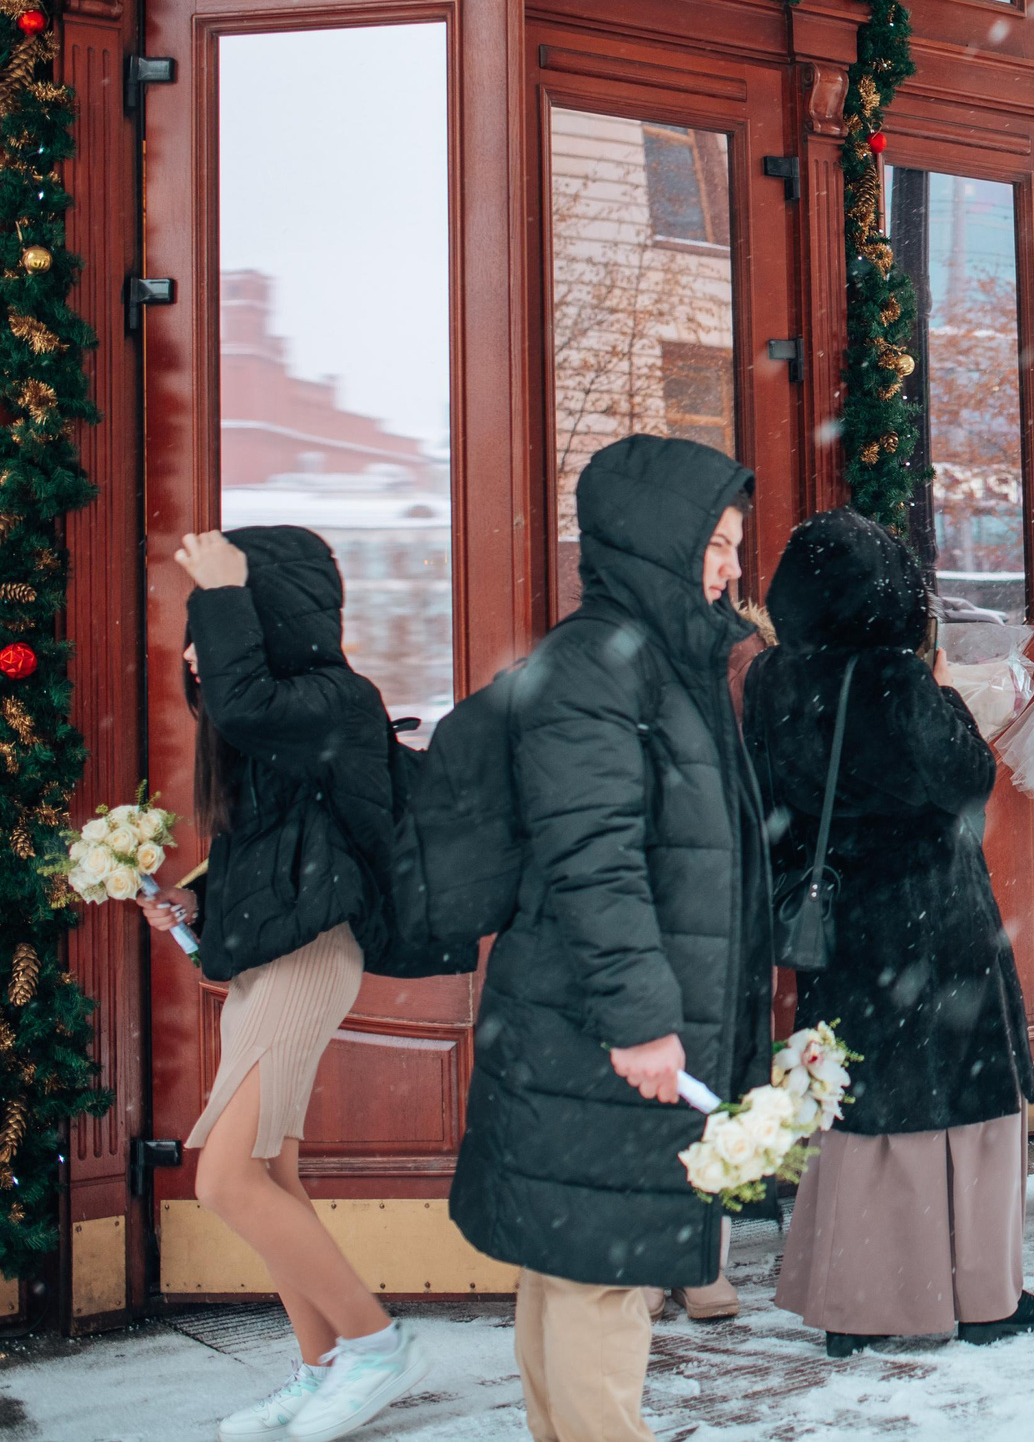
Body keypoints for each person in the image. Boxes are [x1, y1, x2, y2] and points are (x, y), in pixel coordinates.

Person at [449, 435, 769, 1442]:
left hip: (594, 1018)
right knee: (602, 1278)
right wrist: (641, 1022)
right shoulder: (600, 663)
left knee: (572, 1268)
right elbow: (593, 856)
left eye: (733, 548)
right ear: (659, 540)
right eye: (715, 545)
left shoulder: (660, 659)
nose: (730, 569)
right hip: (599, 1028)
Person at [138, 526, 429, 1442]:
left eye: (215, 617)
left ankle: (376, 1345)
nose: (194, 650)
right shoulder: (269, 725)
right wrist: (191, 907)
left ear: (264, 615)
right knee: (270, 1170)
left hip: (313, 957)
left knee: (223, 1178)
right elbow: (272, 850)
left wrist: (224, 595)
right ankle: (320, 1370)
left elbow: (251, 700)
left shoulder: (337, 699)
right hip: (274, 957)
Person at [751, 509, 1034, 1358]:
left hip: (839, 928)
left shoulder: (772, 679)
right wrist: (952, 694)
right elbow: (964, 779)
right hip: (932, 926)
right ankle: (978, 1295)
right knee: (967, 1106)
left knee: (860, 1110)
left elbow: (770, 803)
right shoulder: (896, 679)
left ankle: (857, 1299)